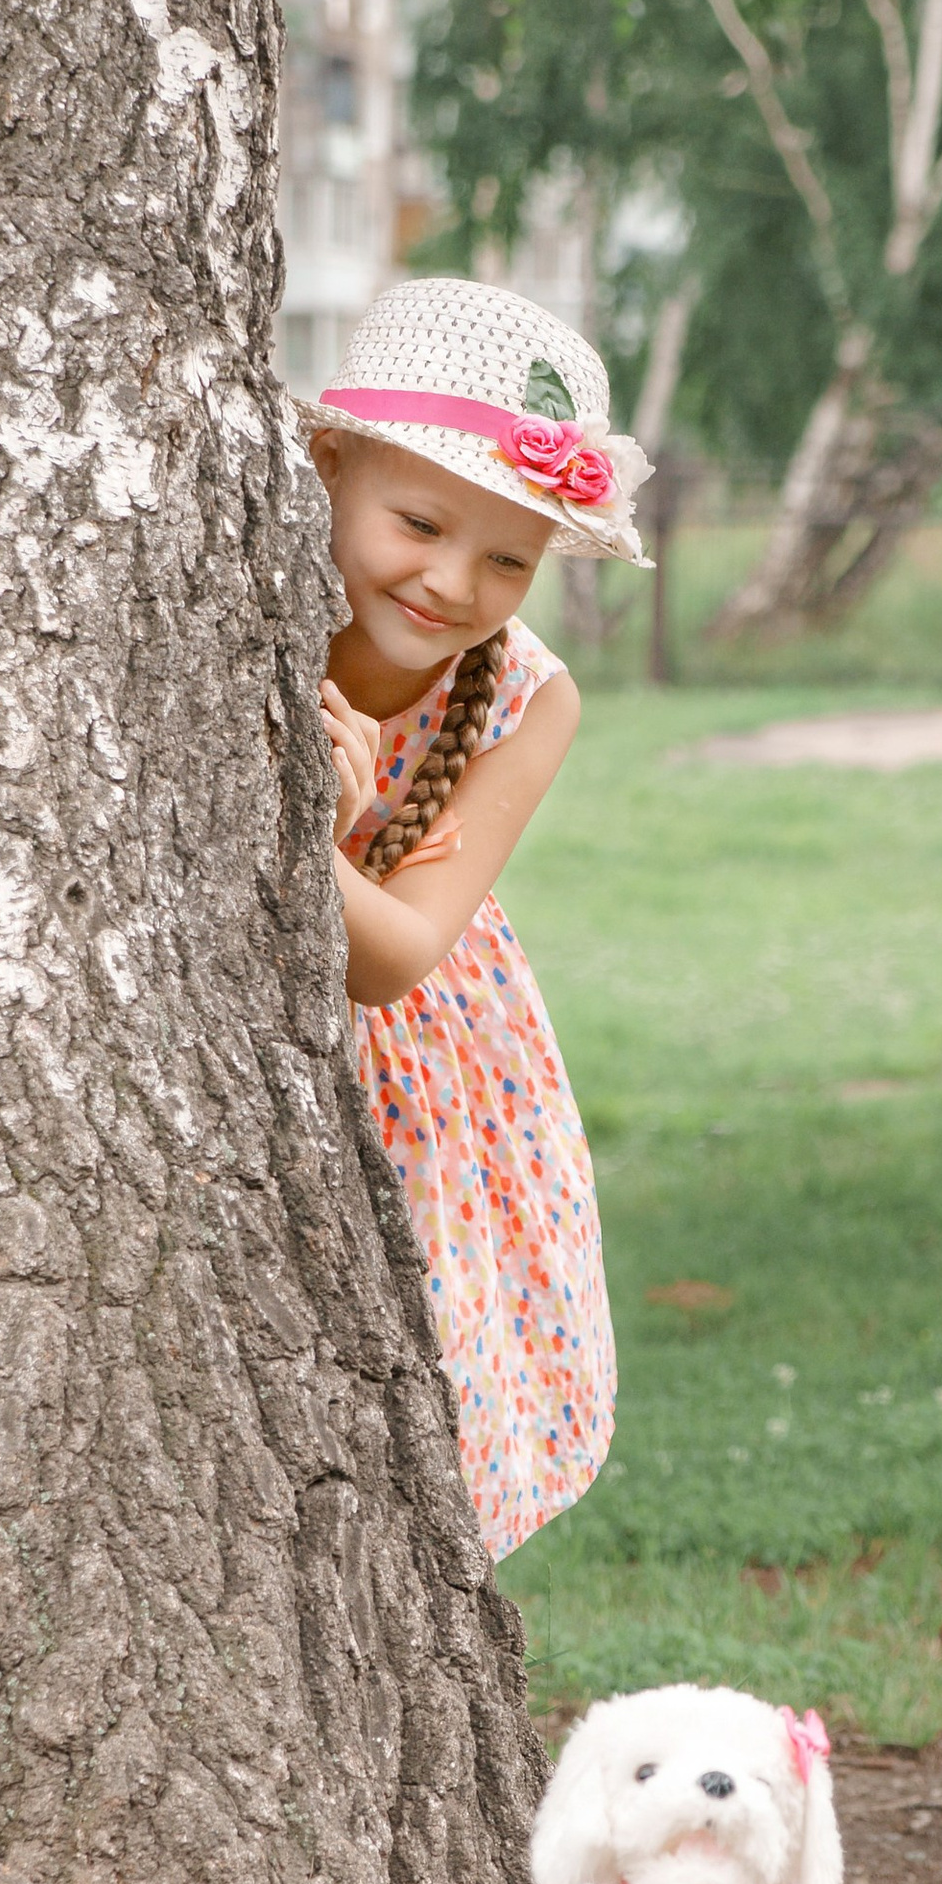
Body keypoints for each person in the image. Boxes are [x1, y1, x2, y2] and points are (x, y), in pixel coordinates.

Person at [304, 279, 649, 1559]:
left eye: (510, 557)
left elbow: (394, 953)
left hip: (420, 1076)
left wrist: (299, 834)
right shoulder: (231, 613)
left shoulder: (528, 698)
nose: (451, 580)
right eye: (419, 522)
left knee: (417, 1363)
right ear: (327, 464)